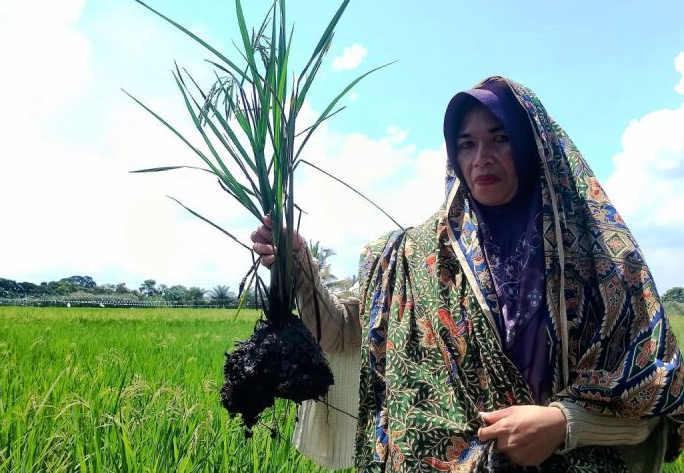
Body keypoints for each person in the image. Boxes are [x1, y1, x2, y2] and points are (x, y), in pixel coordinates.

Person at [251, 76, 684, 472]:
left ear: (533, 147)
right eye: (466, 144)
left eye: (501, 139)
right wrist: (300, 267)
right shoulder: (411, 256)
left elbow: (654, 402)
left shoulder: (601, 261)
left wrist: (564, 424)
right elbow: (345, 332)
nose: (482, 158)